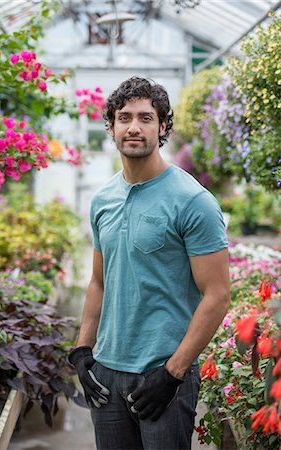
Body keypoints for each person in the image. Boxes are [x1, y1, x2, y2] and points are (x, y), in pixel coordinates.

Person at [69, 76, 230, 450]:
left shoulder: (193, 201)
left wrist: (172, 374)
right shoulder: (104, 199)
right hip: (107, 372)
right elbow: (99, 281)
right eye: (124, 118)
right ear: (111, 127)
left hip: (163, 374)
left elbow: (218, 295)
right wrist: (82, 351)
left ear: (162, 127)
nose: (134, 127)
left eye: (146, 117)